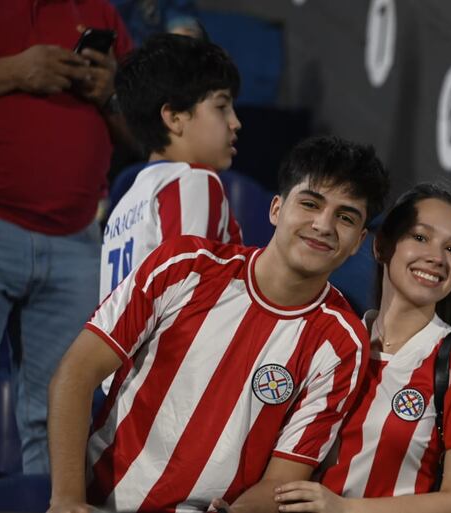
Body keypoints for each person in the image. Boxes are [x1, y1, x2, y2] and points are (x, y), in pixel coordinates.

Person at [46, 135, 390, 512]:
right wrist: (66, 501)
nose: (324, 225)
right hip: (98, 501)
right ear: (276, 208)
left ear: (358, 241)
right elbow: (76, 372)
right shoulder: (185, 265)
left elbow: (282, 482)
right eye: (310, 203)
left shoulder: (343, 343)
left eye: (345, 217)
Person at [274, 184, 451, 513]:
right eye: (420, 238)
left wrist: (345, 509)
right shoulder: (335, 341)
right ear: (381, 246)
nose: (436, 257)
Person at [0, 0, 133, 473]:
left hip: (77, 239)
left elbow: (141, 133)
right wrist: (12, 72)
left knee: (56, 416)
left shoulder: (102, 12)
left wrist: (110, 94)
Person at [100, 33, 242, 303]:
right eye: (222, 107)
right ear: (174, 117)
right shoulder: (194, 180)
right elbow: (186, 302)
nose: (235, 122)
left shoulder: (122, 209)